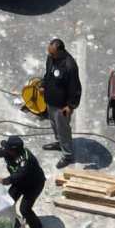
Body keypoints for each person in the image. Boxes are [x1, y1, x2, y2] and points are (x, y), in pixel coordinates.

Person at [41, 38, 81, 169]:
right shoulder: (51, 58)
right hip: (50, 101)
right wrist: (43, 85)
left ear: (61, 51)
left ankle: (67, 155)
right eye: (49, 53)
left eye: (52, 53)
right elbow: (48, 73)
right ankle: (59, 143)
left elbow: (75, 88)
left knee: (63, 129)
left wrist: (70, 106)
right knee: (54, 125)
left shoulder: (70, 66)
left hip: (61, 106)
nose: (50, 55)